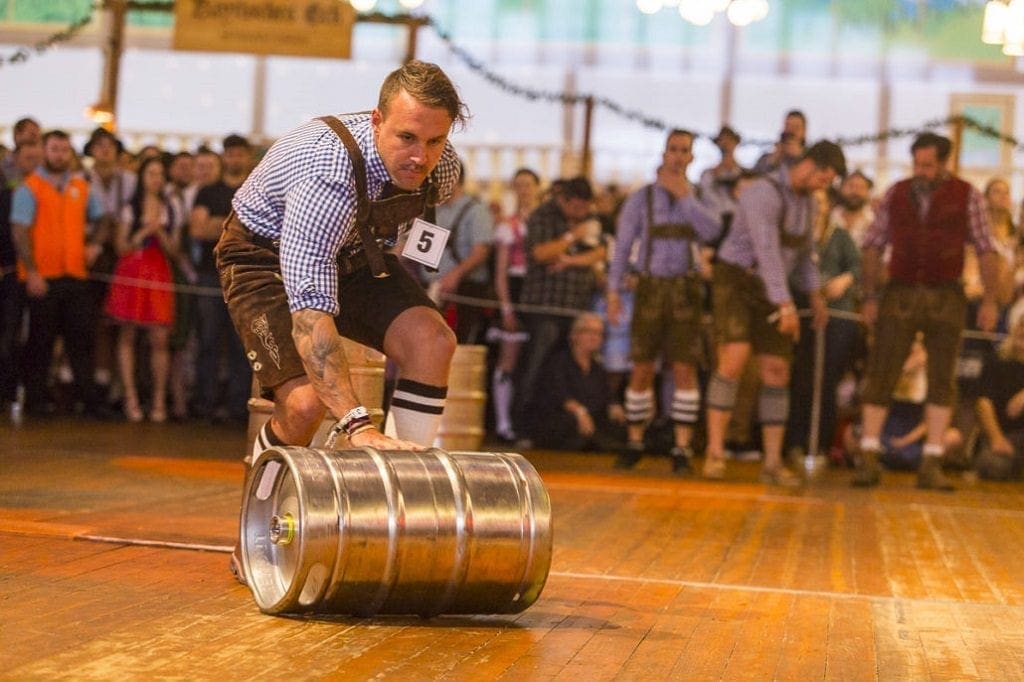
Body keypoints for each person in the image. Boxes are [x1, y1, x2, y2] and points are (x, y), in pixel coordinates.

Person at [216, 60, 466, 580]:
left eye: (435, 140)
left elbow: (433, 201)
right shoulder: (327, 173)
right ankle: (254, 530)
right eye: (406, 137)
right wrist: (356, 424)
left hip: (353, 253)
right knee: (306, 404)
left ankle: (403, 504)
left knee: (432, 342)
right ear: (376, 120)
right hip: (264, 258)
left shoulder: (438, 167)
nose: (420, 155)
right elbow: (311, 316)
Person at [853, 133, 1000, 491]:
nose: (920, 171)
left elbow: (985, 248)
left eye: (928, 165)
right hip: (899, 291)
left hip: (946, 294)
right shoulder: (896, 192)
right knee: (881, 372)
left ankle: (931, 461)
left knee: (942, 378)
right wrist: (870, 295)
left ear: (944, 163)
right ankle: (869, 457)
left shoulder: (968, 195)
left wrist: (991, 300)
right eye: (917, 163)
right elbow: (873, 244)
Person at [702, 140, 846, 486]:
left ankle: (771, 461)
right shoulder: (762, 192)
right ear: (811, 166)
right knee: (733, 359)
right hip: (738, 280)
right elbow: (766, 250)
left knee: (777, 370)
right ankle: (715, 453)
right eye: (824, 178)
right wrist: (785, 305)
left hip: (774, 285)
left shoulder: (808, 203)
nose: (823, 187)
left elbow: (804, 254)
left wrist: (814, 295)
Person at [607, 129, 722, 473]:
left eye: (683, 150)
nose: (676, 156)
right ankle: (635, 440)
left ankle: (682, 447)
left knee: (684, 367)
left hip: (685, 290)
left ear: (691, 157)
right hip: (650, 289)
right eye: (672, 149)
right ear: (663, 153)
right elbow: (623, 245)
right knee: (641, 366)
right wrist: (614, 291)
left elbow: (712, 231)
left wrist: (683, 197)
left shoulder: (700, 196)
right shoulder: (640, 199)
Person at [10, 130, 109, 417]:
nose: (60, 155)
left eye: (65, 149)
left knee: (81, 339)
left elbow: (101, 218)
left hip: (75, 275)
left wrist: (96, 244)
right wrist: (31, 272)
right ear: (44, 151)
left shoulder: (80, 184)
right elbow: (20, 230)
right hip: (44, 276)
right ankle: (36, 401)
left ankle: (88, 402)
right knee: (41, 341)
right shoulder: (30, 187)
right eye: (54, 149)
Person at [514, 176, 608, 441]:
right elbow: (540, 254)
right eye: (576, 208)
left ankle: (564, 428)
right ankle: (522, 425)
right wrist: (572, 236)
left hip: (576, 307)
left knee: (568, 371)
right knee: (536, 365)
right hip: (543, 307)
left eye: (585, 208)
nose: (581, 213)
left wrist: (568, 261)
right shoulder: (543, 216)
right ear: (563, 199)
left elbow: (600, 252)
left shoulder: (592, 219)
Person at [784, 171, 866, 462]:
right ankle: (795, 442)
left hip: (838, 317)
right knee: (802, 378)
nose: (817, 208)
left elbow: (857, 268)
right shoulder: (796, 236)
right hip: (804, 313)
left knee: (827, 380)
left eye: (822, 203)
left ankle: (820, 444)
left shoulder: (840, 236)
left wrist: (844, 281)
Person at [103, 156, 180, 422]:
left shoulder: (171, 207)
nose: (156, 179)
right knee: (128, 335)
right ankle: (131, 398)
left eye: (160, 174)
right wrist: (142, 232)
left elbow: (175, 251)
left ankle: (159, 400)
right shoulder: (130, 208)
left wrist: (161, 233)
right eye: (151, 173)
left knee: (160, 338)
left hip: (159, 272)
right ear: (142, 177)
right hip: (132, 269)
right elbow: (121, 246)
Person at [190, 134, 253, 422]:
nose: (235, 159)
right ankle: (205, 403)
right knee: (208, 342)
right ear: (223, 157)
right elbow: (198, 230)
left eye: (240, 154)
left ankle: (239, 407)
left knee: (244, 346)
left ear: (248, 157)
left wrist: (220, 224)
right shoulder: (208, 191)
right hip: (210, 275)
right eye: (230, 154)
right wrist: (238, 224)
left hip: (246, 279)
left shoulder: (256, 189)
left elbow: (261, 232)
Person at [491, 167, 541, 443]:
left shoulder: (543, 223)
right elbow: (501, 272)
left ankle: (524, 421)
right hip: (516, 288)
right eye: (519, 185)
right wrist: (506, 307)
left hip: (538, 293)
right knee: (508, 359)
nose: (525, 190)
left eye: (529, 185)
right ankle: (503, 423)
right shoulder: (508, 226)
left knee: (533, 361)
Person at [421, 159, 494, 344]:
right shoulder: (433, 209)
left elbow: (481, 252)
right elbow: (422, 249)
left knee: (458, 344)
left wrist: (455, 275)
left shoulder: (476, 210)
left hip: (464, 289)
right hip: (431, 289)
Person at [528, 312, 624, 451]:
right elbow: (560, 395)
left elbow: (607, 395)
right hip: (559, 420)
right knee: (570, 423)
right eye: (589, 332)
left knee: (618, 424)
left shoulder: (597, 368)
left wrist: (614, 405)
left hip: (590, 419)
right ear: (574, 335)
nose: (594, 337)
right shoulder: (558, 362)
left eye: (598, 333)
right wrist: (580, 412)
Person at [974, 298, 1024, 480]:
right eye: (1021, 326)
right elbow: (983, 403)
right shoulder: (997, 362)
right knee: (991, 465)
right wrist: (996, 438)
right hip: (1003, 436)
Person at [698, 125, 744, 237]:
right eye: (722, 141)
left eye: (729, 140)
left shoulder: (744, 176)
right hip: (712, 229)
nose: (725, 144)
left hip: (737, 232)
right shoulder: (708, 175)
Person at [752, 110, 807, 175]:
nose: (790, 131)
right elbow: (753, 178)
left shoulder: (811, 160)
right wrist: (773, 160)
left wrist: (799, 158)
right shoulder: (767, 158)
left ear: (804, 132)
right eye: (788, 126)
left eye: (796, 127)